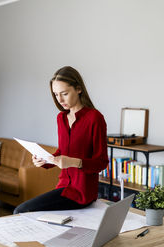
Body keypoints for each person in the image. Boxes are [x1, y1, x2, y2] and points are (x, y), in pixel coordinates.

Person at [14, 66, 108, 214]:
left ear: (78, 89)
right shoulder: (61, 118)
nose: (60, 99)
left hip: (81, 193)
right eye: (56, 94)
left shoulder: (94, 118)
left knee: (21, 211)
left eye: (64, 93)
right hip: (63, 188)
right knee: (26, 212)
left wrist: (74, 162)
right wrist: (45, 160)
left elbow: (101, 162)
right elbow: (63, 152)